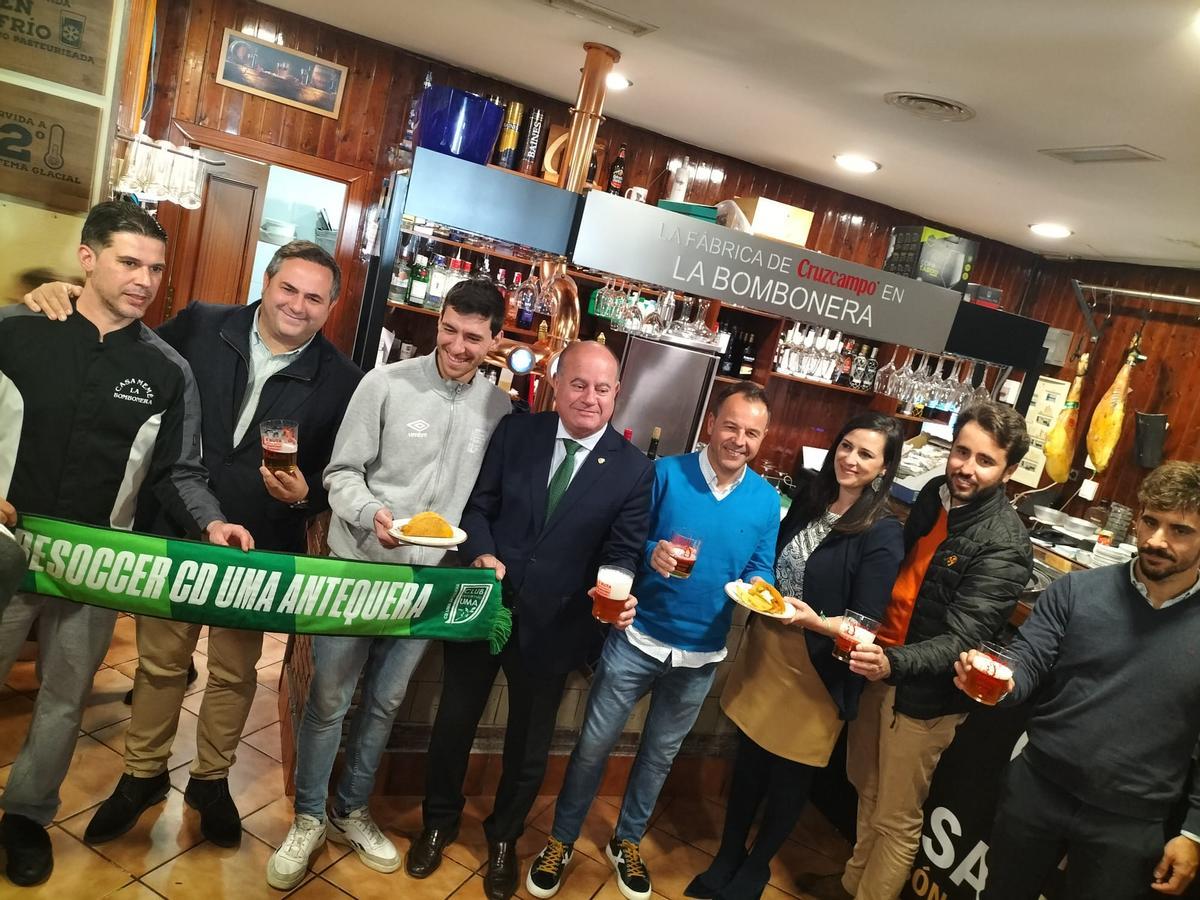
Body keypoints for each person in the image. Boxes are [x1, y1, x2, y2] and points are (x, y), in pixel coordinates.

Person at [27, 240, 363, 850]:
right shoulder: (204, 323)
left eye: (315, 297)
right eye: (289, 288)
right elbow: (127, 344)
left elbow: (333, 480)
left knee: (236, 674)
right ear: (267, 280)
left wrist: (300, 495)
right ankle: (142, 775)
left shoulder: (344, 381)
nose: (298, 305)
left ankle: (210, 781)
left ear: (332, 306)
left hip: (258, 545)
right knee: (161, 664)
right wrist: (64, 293)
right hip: (175, 522)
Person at [0, 201, 253, 887]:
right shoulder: (17, 330)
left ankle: (25, 817)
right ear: (88, 258)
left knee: (62, 699)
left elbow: (180, 470)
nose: (145, 279)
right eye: (129, 261)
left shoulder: (169, 371)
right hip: (5, 547)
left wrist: (210, 523)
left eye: (156, 268)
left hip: (96, 564)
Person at [266, 279, 512, 890]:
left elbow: (486, 502)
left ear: (495, 340)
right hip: (359, 567)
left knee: (385, 703)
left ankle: (351, 809)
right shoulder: (384, 384)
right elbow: (341, 473)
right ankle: (308, 816)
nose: (457, 346)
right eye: (449, 329)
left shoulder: (499, 410)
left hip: (430, 585)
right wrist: (368, 513)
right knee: (329, 700)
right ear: (440, 321)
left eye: (473, 337)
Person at [408, 341, 655, 900]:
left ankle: (503, 840)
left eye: (602, 388)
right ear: (556, 384)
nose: (589, 398)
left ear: (617, 393)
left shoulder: (634, 471)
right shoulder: (518, 433)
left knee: (528, 747)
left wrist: (612, 584)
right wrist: (482, 551)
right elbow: (479, 506)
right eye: (578, 384)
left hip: (558, 624)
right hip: (486, 604)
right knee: (454, 724)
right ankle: (438, 823)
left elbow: (624, 549)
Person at [526, 381, 780, 900]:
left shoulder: (766, 499)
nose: (739, 440)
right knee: (594, 746)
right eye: (731, 426)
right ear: (711, 422)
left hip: (701, 653)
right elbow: (627, 537)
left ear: (762, 440)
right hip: (635, 638)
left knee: (659, 756)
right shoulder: (663, 473)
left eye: (752, 433)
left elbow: (760, 568)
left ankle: (628, 840)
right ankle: (562, 839)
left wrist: (760, 589)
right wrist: (650, 553)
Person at [682, 412, 906, 900]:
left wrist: (813, 622)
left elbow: (866, 625)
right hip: (770, 649)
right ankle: (727, 855)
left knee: (789, 775)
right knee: (750, 761)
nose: (850, 458)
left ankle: (756, 868)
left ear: (885, 469)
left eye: (866, 454)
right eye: (846, 446)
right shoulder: (811, 497)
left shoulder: (883, 531)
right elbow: (773, 564)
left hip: (818, 667)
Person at [953, 460, 1200, 899]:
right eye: (1150, 522)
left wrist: (1194, 831)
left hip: (1131, 820)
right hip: (1038, 788)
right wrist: (1002, 683)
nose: (1157, 540)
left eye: (1180, 530)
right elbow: (1027, 660)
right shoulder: (1076, 591)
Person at [818, 401, 1033, 900]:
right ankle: (851, 883)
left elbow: (963, 639)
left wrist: (892, 662)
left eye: (985, 460)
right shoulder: (935, 496)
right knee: (866, 788)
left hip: (920, 695)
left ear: (1010, 471)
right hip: (881, 664)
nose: (966, 467)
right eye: (961, 452)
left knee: (896, 817)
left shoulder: (1006, 543)